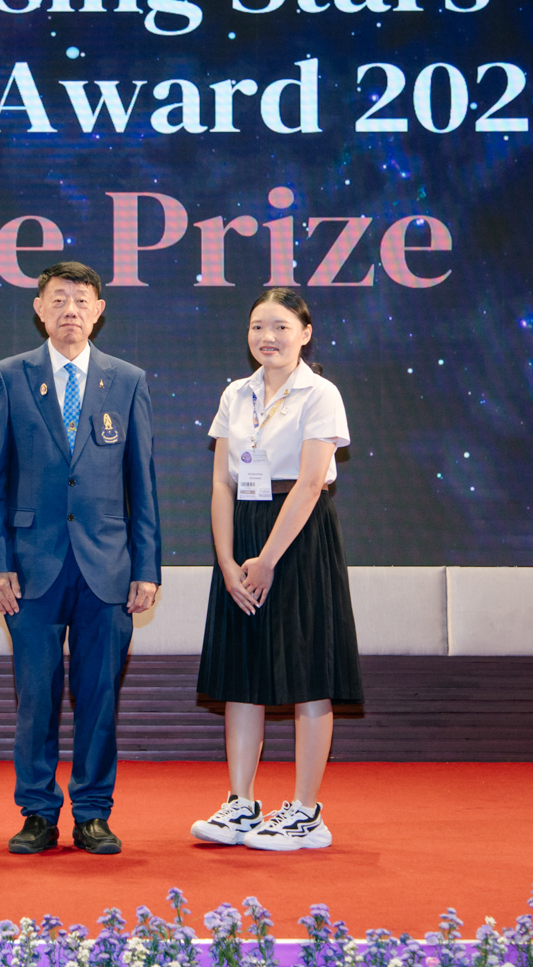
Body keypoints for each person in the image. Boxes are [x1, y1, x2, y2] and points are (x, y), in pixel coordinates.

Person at [0, 260, 161, 856]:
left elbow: (142, 484)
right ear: (39, 309)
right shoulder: (9, 377)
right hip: (30, 568)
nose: (70, 311)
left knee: (99, 697)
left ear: (99, 311)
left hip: (108, 568)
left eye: (81, 301)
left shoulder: (127, 380)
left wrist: (146, 568)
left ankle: (92, 813)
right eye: (58, 300)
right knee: (35, 697)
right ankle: (36, 811)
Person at [191, 286, 360, 851]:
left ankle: (306, 812)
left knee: (308, 671)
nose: (268, 337)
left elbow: (311, 482)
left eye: (282, 327)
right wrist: (227, 559)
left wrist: (267, 559)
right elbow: (222, 482)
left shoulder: (321, 393)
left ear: (305, 334)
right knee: (243, 672)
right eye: (258, 327)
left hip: (298, 535)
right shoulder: (235, 394)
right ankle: (241, 803)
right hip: (243, 532)